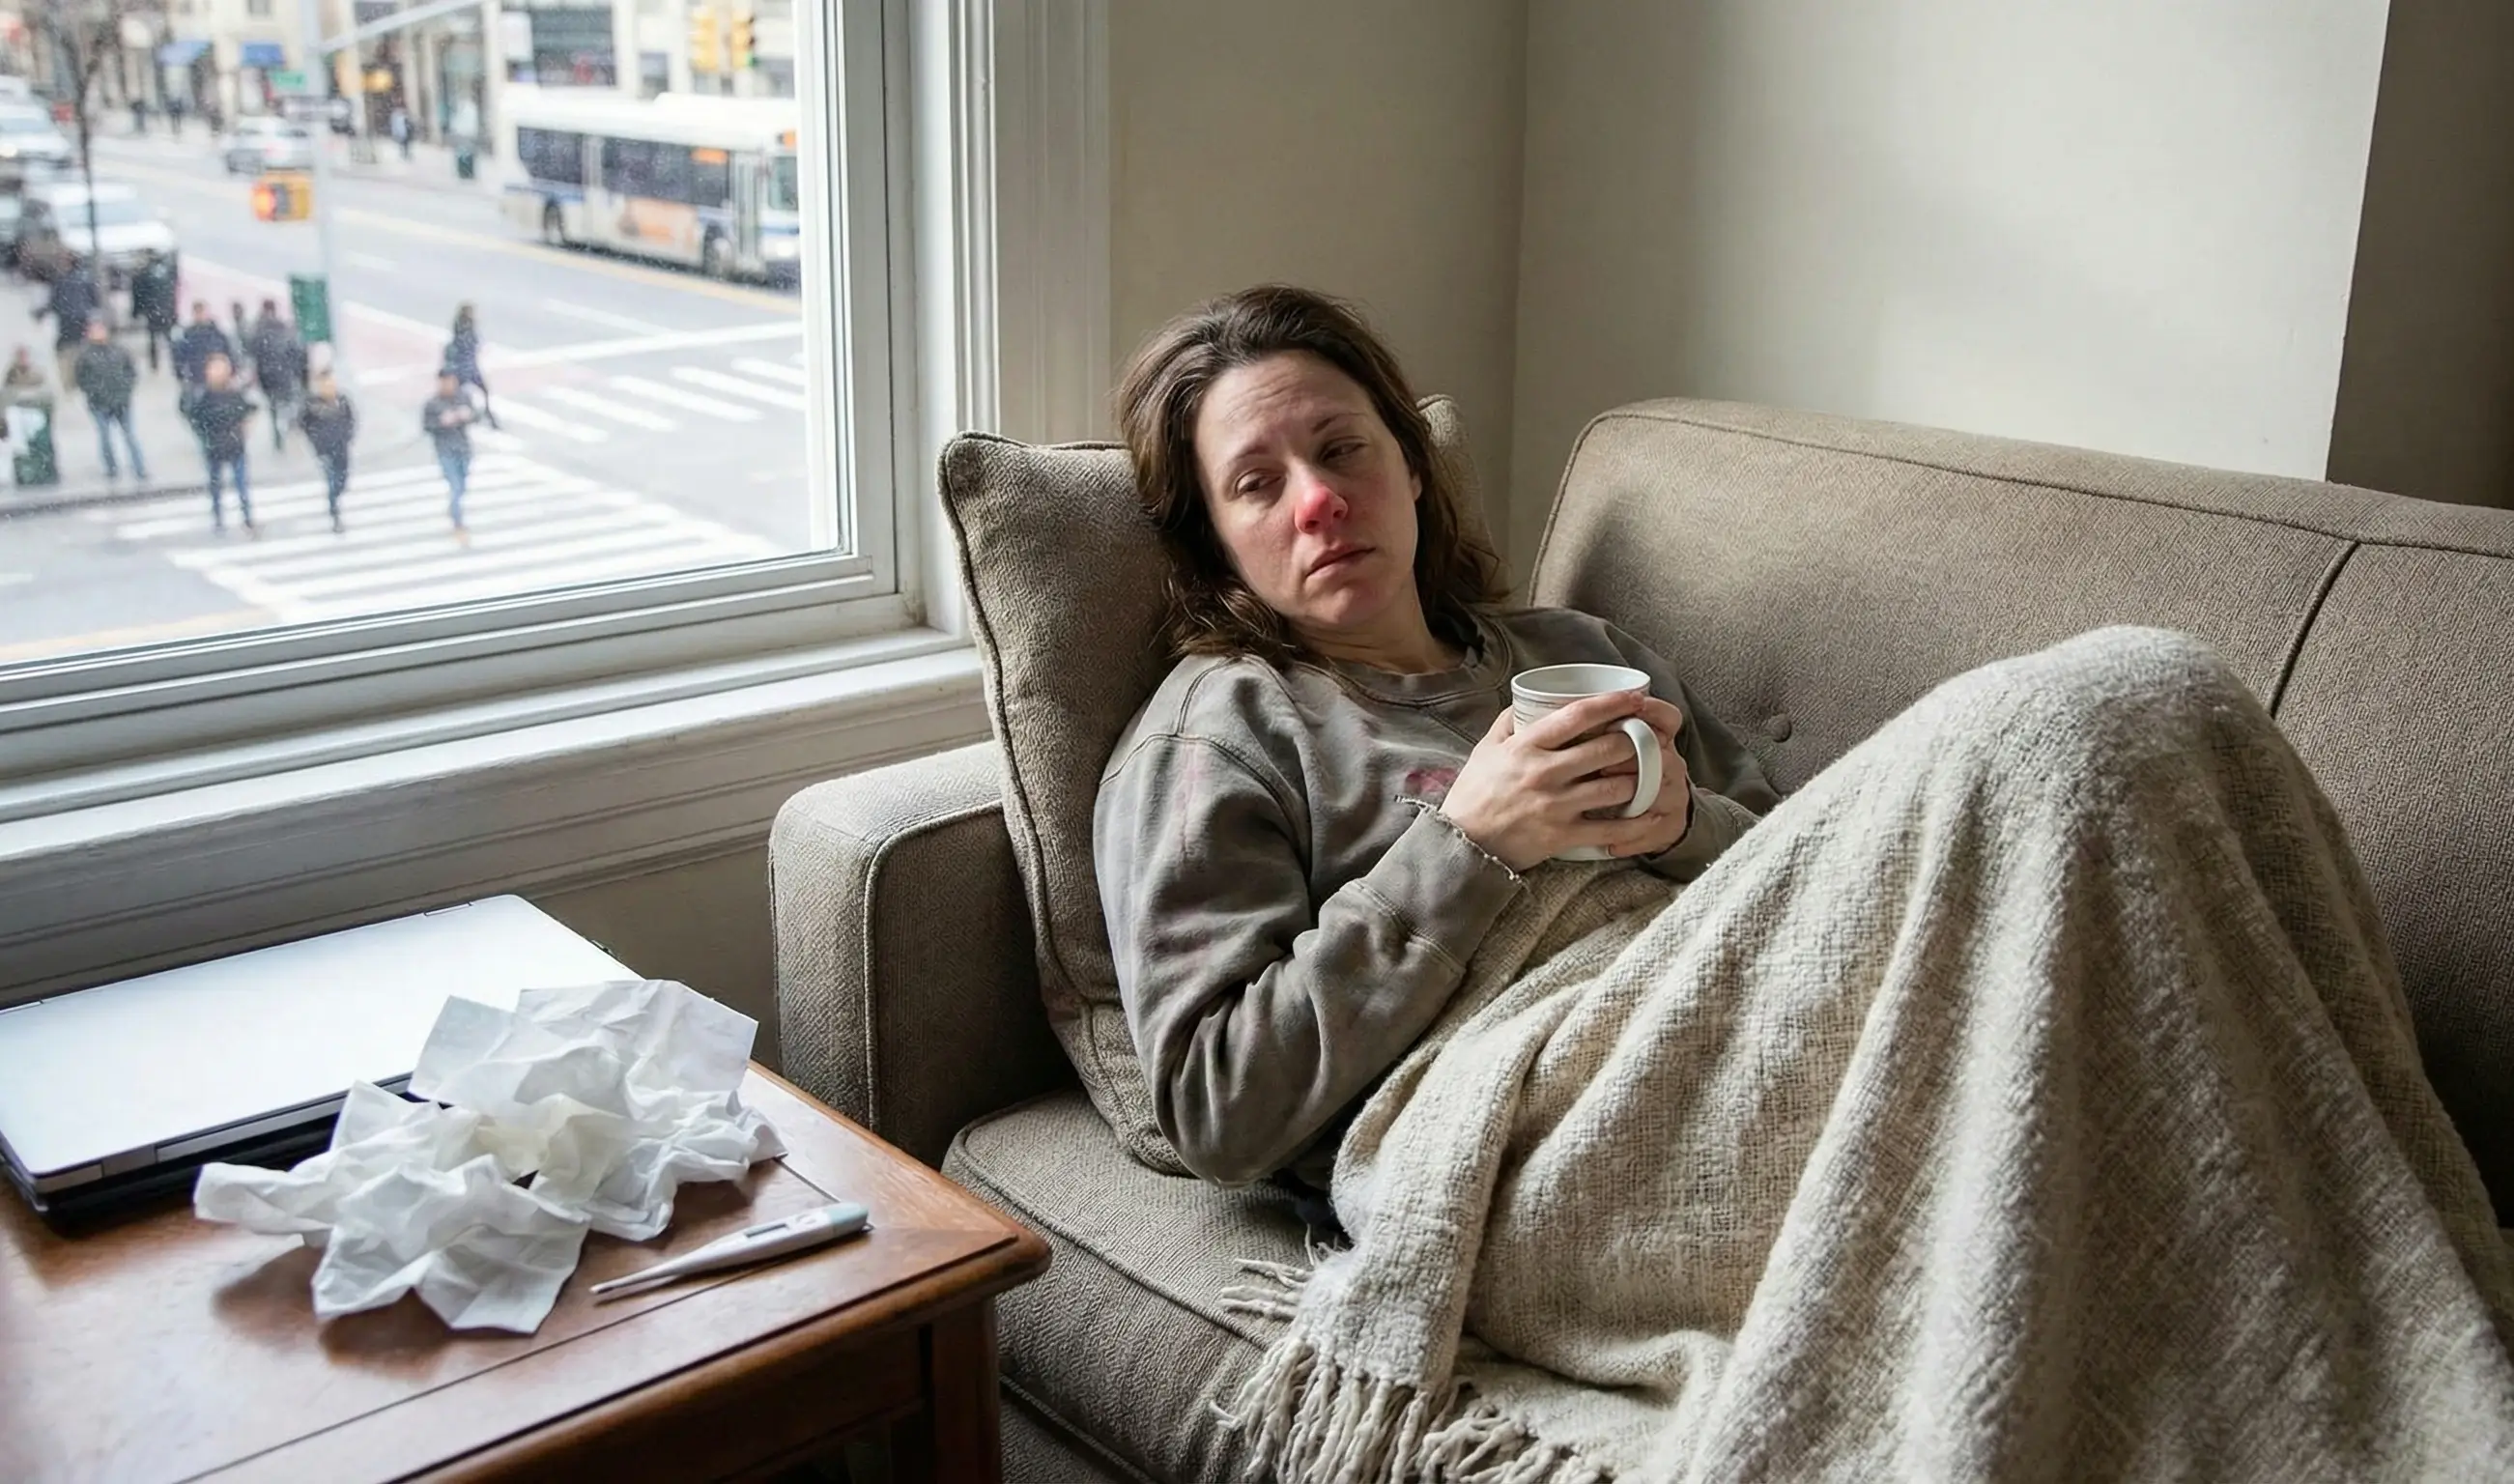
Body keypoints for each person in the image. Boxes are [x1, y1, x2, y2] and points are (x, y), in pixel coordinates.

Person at [1093, 288, 2514, 1468]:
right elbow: (1217, 1100)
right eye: (1256, 485)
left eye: (1340, 449)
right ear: (1216, 541)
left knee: (2172, 712)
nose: (1317, 502)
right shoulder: (1219, 729)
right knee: (2084, 707)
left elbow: (1807, 884)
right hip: (1529, 1137)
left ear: (1409, 459)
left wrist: (1676, 831)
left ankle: (2375, 1306)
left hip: (1740, 1042)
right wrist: (1469, 846)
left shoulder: (1567, 642)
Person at [185, 352, 257, 534]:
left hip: (234, 445)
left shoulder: (233, 393)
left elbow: (248, 411)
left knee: (241, 483)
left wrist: (243, 431)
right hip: (214, 446)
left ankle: (247, 517)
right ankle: (218, 518)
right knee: (216, 485)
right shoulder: (204, 396)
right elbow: (194, 416)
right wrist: (204, 436)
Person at [71, 320, 143, 482]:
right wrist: (94, 392)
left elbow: (131, 371)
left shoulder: (118, 351)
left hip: (121, 401)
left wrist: (126, 389)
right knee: (105, 437)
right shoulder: (85, 355)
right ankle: (111, 468)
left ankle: (139, 467)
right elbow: (80, 378)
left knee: (130, 435)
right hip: (99, 403)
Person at [420, 367, 476, 540]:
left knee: (462, 482)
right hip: (445, 449)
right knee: (455, 485)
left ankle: (454, 507)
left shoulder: (463, 398)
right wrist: (442, 422)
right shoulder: (433, 404)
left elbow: (476, 416)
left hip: (463, 448)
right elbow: (427, 426)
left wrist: (467, 416)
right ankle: (458, 520)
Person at [297, 371, 356, 533]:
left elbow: (351, 419)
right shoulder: (312, 405)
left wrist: (348, 435)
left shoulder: (342, 401)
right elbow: (302, 423)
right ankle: (334, 511)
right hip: (324, 449)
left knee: (342, 478)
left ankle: (335, 497)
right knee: (331, 479)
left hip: (341, 447)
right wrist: (315, 439)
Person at [245, 299, 304, 452]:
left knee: (273, 407)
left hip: (267, 376)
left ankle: (277, 435)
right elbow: (294, 352)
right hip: (283, 373)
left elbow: (252, 354)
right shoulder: (283, 329)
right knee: (287, 402)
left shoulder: (257, 330)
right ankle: (289, 424)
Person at [32, 270, 99, 388]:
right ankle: (79, 379)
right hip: (80, 322)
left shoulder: (61, 281)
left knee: (65, 350)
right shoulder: (86, 280)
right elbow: (95, 301)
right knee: (78, 349)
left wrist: (41, 313)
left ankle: (69, 382)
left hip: (66, 322)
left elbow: (53, 301)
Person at [442, 302, 499, 430]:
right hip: (466, 367)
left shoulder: (462, 327)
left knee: (475, 391)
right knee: (476, 391)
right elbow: (474, 343)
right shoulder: (465, 329)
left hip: (467, 366)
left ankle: (481, 414)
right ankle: (480, 415)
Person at [129, 248, 179, 373]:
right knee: (168, 338)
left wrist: (136, 312)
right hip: (165, 310)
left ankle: (155, 365)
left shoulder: (145, 274)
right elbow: (172, 292)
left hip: (153, 311)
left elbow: (139, 294)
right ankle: (174, 361)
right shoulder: (167, 271)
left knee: (153, 339)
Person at [172, 300, 234, 391]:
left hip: (215, 377)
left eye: (201, 312)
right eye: (198, 312)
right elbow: (180, 356)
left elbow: (228, 352)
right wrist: (181, 373)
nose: (200, 315)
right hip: (196, 376)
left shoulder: (216, 332)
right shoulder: (189, 334)